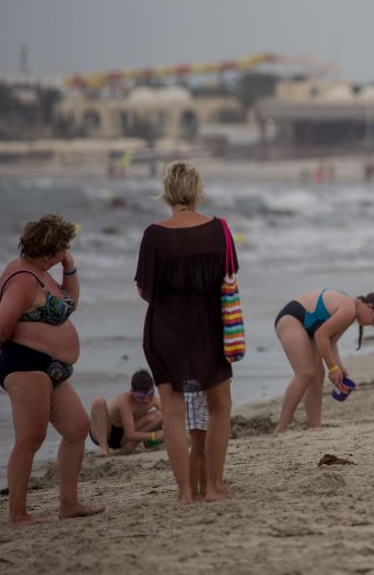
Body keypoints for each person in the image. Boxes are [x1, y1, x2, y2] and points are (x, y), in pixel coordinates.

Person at [0, 213, 104, 525]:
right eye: (62, 248)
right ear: (49, 250)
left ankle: (69, 503)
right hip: (25, 365)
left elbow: (68, 305)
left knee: (77, 427)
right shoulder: (22, 277)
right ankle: (17, 513)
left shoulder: (41, 272)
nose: (65, 252)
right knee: (30, 438)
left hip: (51, 369)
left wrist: (69, 267)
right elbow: (1, 323)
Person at [135, 161, 235, 504]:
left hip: (165, 328)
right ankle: (214, 487)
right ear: (197, 190)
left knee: (173, 412)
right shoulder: (220, 229)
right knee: (220, 406)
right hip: (210, 326)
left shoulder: (154, 235)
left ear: (166, 192)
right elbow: (229, 275)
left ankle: (184, 493)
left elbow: (145, 290)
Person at [274, 289, 374, 433]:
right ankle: (281, 428)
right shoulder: (349, 308)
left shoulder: (352, 312)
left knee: (318, 375)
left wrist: (339, 367)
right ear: (370, 307)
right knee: (305, 373)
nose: (373, 324)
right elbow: (321, 335)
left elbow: (331, 341)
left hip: (308, 326)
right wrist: (332, 369)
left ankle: (315, 427)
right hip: (292, 319)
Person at [89, 369, 164, 455]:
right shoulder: (125, 401)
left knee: (159, 416)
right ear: (132, 392)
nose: (146, 400)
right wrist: (154, 435)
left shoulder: (154, 400)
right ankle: (103, 447)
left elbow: (170, 416)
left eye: (150, 394)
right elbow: (130, 434)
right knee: (98, 401)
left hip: (123, 437)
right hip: (105, 431)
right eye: (141, 397)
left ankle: (128, 448)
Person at [184, 381, 209, 501]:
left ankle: (205, 489)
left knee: (203, 447)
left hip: (209, 388)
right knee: (198, 446)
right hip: (194, 392)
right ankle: (193, 492)